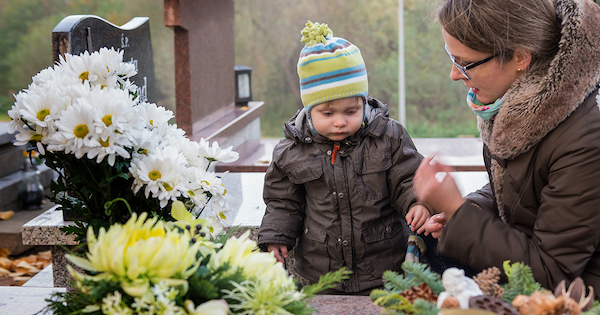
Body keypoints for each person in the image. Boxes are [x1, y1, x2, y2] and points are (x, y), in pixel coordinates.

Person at [415, 0, 600, 299]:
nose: (454, 74)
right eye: (451, 57)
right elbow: (525, 188)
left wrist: (456, 210)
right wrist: (473, 206)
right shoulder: (523, 106)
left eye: (464, 63)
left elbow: (552, 272)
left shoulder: (585, 137)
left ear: (520, 57)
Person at [257, 21, 430, 295]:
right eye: (328, 113)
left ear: (363, 102)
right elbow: (283, 203)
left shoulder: (387, 136)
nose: (340, 122)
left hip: (384, 267)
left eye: (351, 111)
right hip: (320, 272)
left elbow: (409, 178)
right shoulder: (292, 150)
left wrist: (418, 203)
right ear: (309, 108)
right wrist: (277, 236)